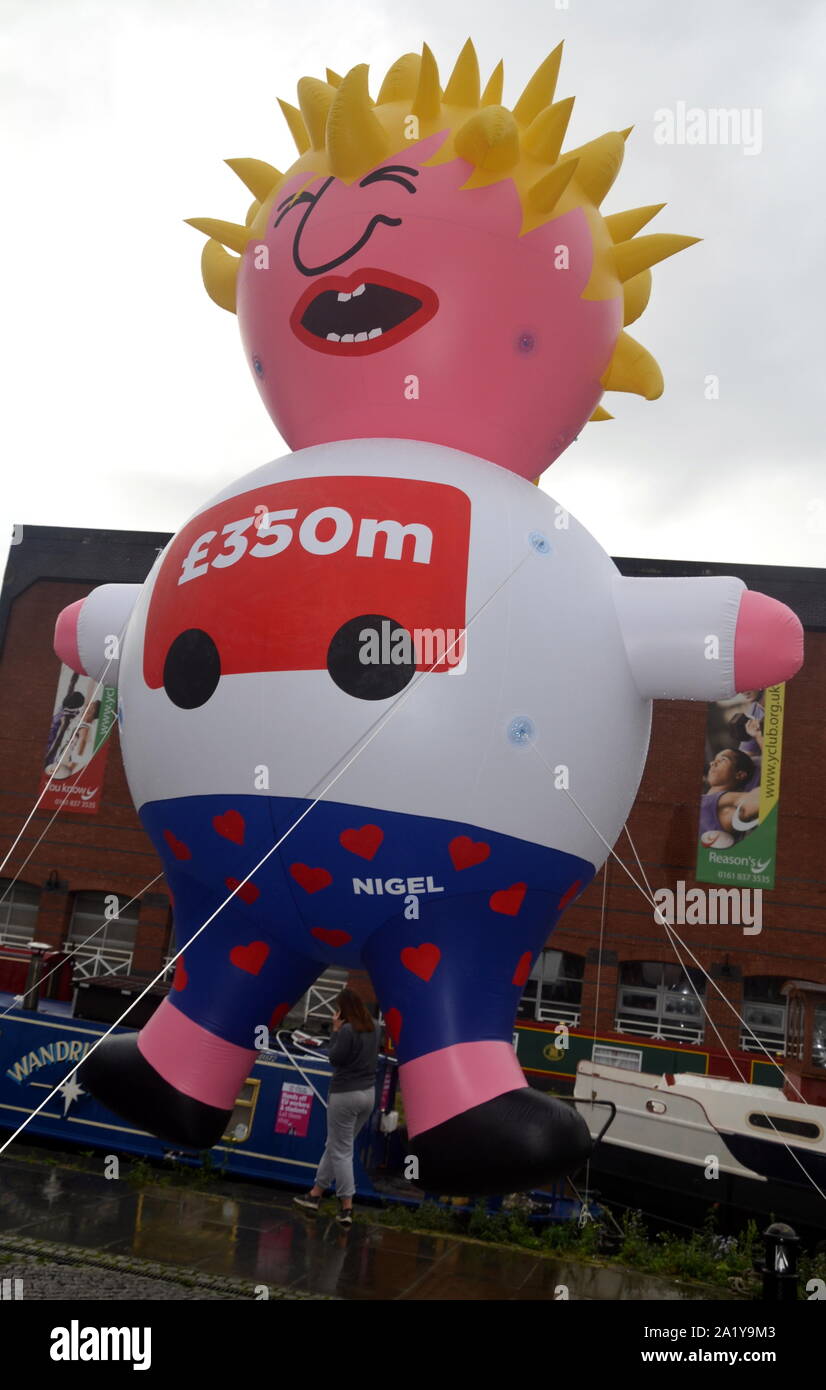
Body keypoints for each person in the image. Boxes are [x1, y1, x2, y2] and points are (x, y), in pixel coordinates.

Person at [294, 988, 379, 1226]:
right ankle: (315, 1195)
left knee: (341, 1151)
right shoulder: (375, 1026)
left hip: (346, 1094)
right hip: (368, 1094)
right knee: (336, 1145)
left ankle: (347, 1207)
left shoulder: (348, 1030)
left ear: (343, 1010)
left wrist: (335, 1030)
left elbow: (334, 1058)